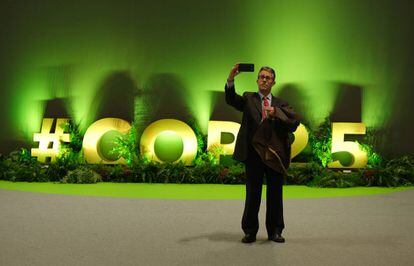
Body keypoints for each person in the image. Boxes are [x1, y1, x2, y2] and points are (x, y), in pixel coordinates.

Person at [224, 64, 300, 243]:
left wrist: (277, 112)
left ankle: (275, 231)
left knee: (275, 194)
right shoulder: (248, 98)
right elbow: (231, 100)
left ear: (274, 82)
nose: (264, 79)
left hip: (275, 155)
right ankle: (250, 231)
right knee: (253, 194)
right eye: (261, 77)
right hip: (253, 154)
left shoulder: (281, 103)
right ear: (257, 80)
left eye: (268, 77)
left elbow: (294, 122)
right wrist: (230, 79)